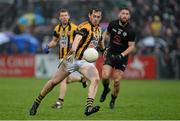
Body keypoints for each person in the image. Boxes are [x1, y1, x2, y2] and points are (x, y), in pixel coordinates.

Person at [29, 8, 103, 116]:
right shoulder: (83, 27)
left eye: (98, 17)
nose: (96, 19)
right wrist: (71, 51)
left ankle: (88, 107)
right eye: (94, 16)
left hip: (84, 62)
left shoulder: (98, 29)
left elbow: (100, 41)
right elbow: (77, 40)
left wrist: (104, 49)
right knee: (54, 82)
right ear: (89, 16)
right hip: (71, 58)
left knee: (95, 79)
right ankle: (36, 102)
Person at [43, 9, 87, 109]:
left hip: (71, 56)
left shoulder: (75, 28)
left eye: (66, 15)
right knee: (65, 79)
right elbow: (54, 41)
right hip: (61, 56)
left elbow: (81, 41)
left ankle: (60, 102)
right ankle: (81, 79)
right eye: (62, 15)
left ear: (69, 16)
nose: (64, 17)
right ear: (59, 17)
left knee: (62, 80)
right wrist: (48, 46)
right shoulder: (57, 28)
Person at [99, 7, 136, 109]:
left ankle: (113, 100)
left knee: (116, 81)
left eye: (127, 14)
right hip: (111, 53)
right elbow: (106, 33)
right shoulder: (112, 24)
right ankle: (106, 89)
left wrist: (122, 55)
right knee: (105, 76)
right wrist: (103, 45)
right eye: (123, 13)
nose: (125, 15)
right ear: (119, 15)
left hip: (122, 57)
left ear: (129, 16)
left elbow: (131, 46)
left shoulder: (131, 30)